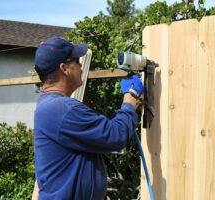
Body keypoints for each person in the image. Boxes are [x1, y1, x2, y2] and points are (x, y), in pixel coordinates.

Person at [33, 37, 143, 200]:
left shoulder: (51, 106)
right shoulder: (62, 110)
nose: (81, 65)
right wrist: (130, 101)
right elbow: (115, 135)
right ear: (64, 68)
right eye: (76, 61)